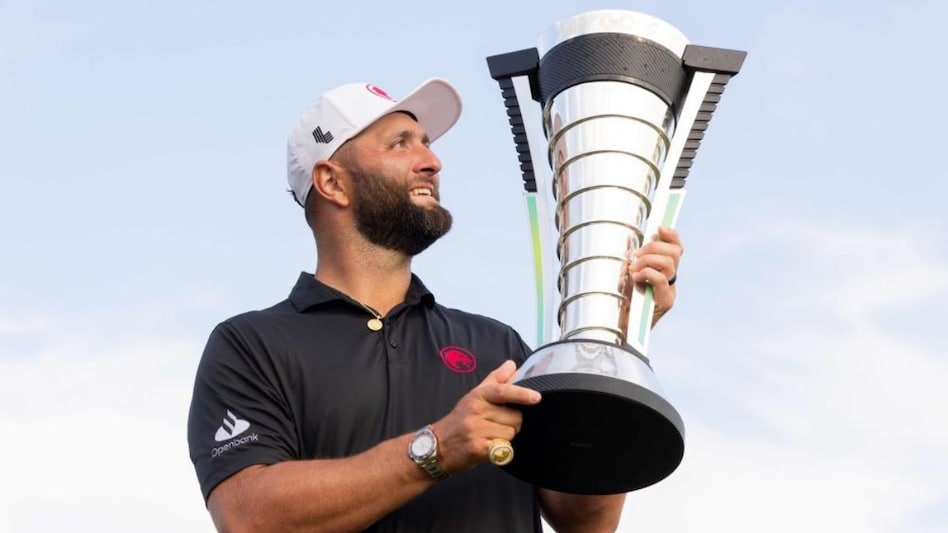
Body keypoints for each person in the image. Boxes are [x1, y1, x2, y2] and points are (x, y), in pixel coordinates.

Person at [187, 77, 683, 533]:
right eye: (400, 143)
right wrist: (436, 448)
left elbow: (585, 520)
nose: (432, 161)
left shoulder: (498, 348)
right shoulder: (252, 345)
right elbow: (249, 516)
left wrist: (617, 342)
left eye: (427, 143)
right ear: (332, 181)